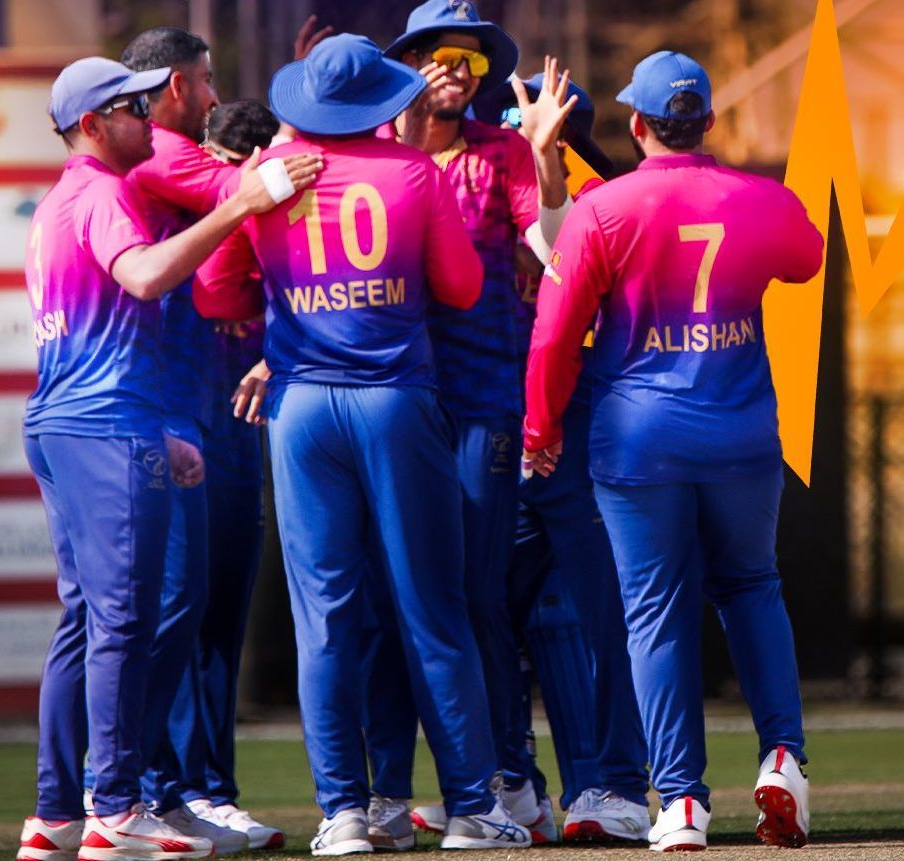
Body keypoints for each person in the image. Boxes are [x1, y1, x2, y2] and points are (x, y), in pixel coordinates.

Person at [193, 33, 532, 855]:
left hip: (303, 409)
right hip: (395, 402)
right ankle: (469, 808)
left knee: (326, 619)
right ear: (378, 98)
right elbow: (462, 287)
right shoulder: (412, 172)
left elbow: (214, 293)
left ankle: (343, 811)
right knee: (433, 606)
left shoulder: (265, 178)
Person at [16, 55, 320, 861]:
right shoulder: (107, 191)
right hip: (104, 426)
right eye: (128, 108)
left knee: (87, 619)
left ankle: (56, 814)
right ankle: (116, 808)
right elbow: (146, 277)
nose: (148, 119)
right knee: (124, 619)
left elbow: (102, 327)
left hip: (71, 423)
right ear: (90, 124)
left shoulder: (58, 202)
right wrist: (243, 204)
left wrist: (159, 430)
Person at [522, 50, 823, 852]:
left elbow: (553, 332)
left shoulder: (605, 209)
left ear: (638, 125)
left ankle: (683, 802)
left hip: (638, 437)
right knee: (753, 586)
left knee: (653, 614)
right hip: (742, 433)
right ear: (711, 123)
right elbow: (808, 257)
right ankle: (783, 755)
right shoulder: (762, 199)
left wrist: (541, 429)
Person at [363, 1, 577, 844]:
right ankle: (383, 794)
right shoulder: (375, 157)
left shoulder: (503, 152)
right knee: (390, 601)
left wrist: (549, 155)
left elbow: (553, 243)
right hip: (389, 405)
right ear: (406, 65)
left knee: (479, 598)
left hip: (482, 400)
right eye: (437, 54)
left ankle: (502, 780)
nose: (457, 68)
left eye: (471, 59)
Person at [117, 26, 292, 851]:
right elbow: (263, 181)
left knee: (214, 603)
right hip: (167, 406)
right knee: (175, 602)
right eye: (207, 80)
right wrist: (314, 119)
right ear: (175, 85)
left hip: (215, 398)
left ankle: (197, 790)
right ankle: (145, 788)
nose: (216, 95)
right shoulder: (154, 149)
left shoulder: (187, 157)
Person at [475, 72, 652, 843]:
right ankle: (513, 779)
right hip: (494, 419)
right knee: (486, 606)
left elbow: (569, 250)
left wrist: (560, 153)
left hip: (573, 421)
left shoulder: (598, 194)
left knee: (592, 609)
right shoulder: (457, 179)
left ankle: (609, 785)